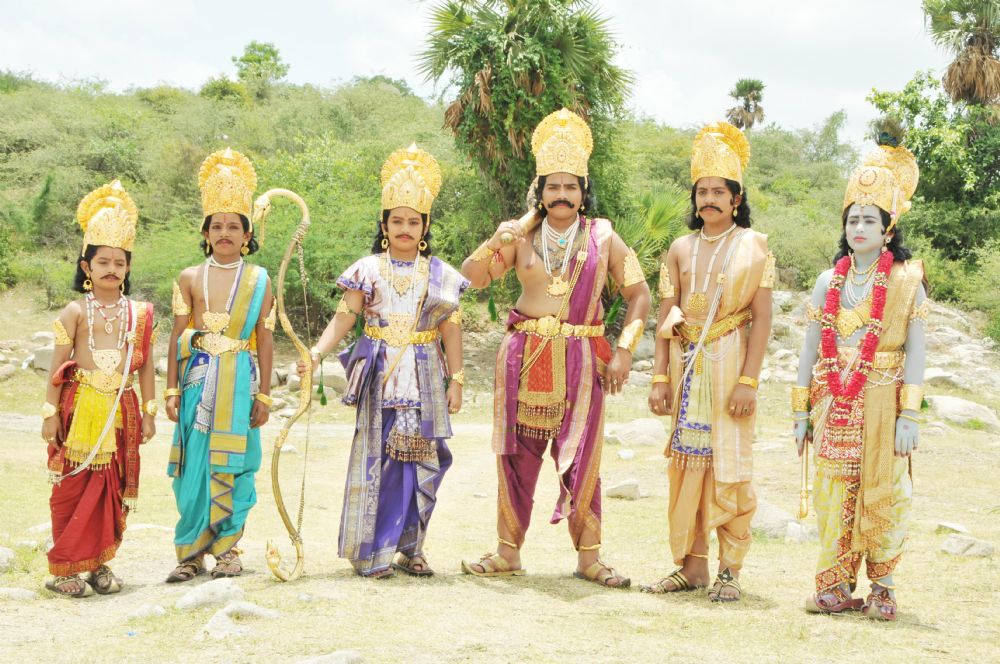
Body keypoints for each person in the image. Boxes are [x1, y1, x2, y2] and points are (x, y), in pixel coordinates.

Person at [459, 108, 651, 588]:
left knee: (584, 458)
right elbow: (471, 277)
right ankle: (507, 553)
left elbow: (640, 294)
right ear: (540, 192)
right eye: (552, 186)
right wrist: (498, 237)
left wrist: (624, 349)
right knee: (516, 456)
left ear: (583, 191)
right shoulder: (520, 236)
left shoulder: (604, 237)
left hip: (583, 360)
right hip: (524, 357)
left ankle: (589, 558)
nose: (561, 194)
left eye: (570, 186)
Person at [300, 143, 466, 578]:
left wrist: (457, 380)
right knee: (379, 461)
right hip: (381, 378)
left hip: (425, 377)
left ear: (425, 226)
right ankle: (373, 551)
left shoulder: (442, 275)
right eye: (397, 221)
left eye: (413, 221)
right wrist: (317, 352)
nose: (405, 228)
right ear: (384, 225)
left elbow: (451, 329)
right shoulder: (367, 269)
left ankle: (412, 548)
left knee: (426, 460)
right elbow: (345, 316)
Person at [794, 136, 925, 621]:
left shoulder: (907, 280)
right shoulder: (828, 281)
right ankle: (834, 583)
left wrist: (910, 415)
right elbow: (809, 349)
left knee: (888, 489)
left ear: (888, 229)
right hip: (834, 402)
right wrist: (800, 413)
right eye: (852, 219)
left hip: (885, 399)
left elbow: (917, 352)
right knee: (833, 490)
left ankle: (883, 588)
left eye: (870, 219)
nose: (859, 228)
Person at [643, 121, 774, 602]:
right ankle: (691, 566)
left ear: (736, 198)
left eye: (719, 191)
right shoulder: (680, 248)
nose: (709, 200)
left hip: (730, 362)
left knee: (729, 465)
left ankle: (730, 571)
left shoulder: (755, 246)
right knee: (686, 465)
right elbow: (665, 316)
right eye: (702, 191)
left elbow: (762, 320)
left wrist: (748, 382)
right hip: (686, 367)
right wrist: (659, 377)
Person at [41, 180, 156, 597]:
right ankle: (65, 570)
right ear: (86, 267)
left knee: (112, 486)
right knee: (72, 487)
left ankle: (99, 565)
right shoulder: (73, 311)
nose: (112, 268)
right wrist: (49, 414)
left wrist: (149, 411)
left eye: (119, 262)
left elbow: (145, 366)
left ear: (128, 268)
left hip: (122, 410)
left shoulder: (140, 313)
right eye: (102, 261)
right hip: (79, 410)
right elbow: (57, 369)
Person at [164, 148, 274, 582]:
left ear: (247, 234)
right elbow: (177, 336)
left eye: (233, 226)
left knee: (237, 464)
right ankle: (191, 554)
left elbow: (265, 337)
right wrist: (171, 390)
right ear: (205, 232)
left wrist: (265, 394)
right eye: (217, 226)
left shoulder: (259, 279)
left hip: (240, 382)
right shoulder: (189, 277)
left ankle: (228, 550)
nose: (224, 232)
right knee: (194, 467)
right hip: (197, 383)